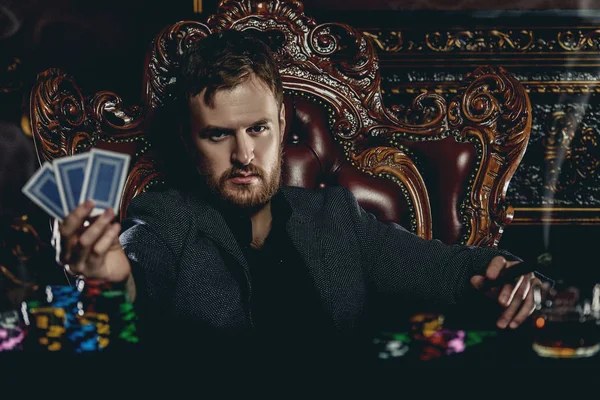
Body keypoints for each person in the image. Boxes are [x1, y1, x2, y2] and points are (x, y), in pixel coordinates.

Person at [56, 30, 543, 362]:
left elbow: (451, 270)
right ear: (189, 140)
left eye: (258, 129)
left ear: (282, 125)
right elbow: (133, 289)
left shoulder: (334, 217)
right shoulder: (163, 221)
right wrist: (111, 284)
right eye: (219, 135)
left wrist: (515, 277)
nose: (245, 155)